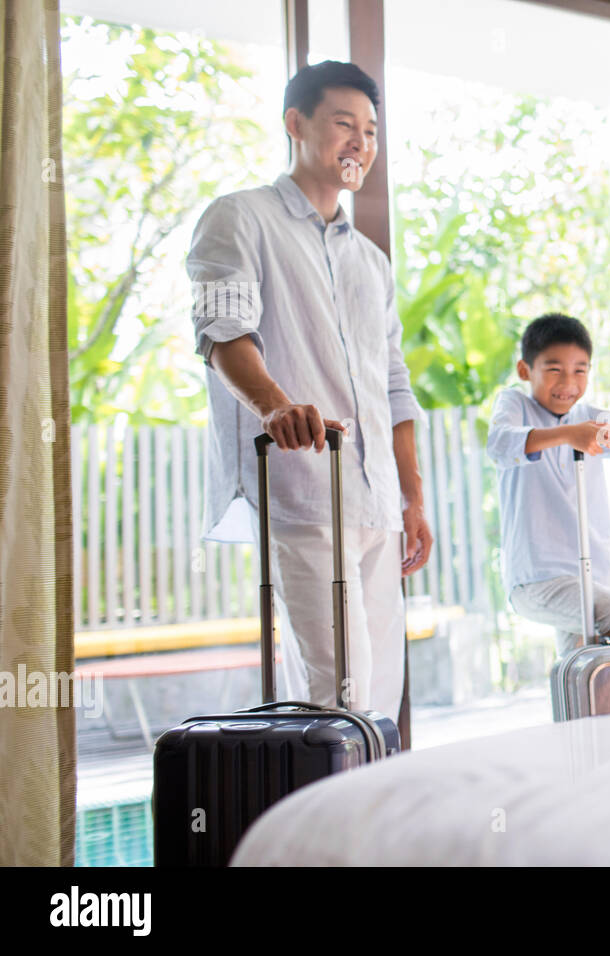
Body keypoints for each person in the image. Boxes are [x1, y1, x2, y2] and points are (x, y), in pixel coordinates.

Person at [188, 61, 432, 721]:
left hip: (379, 504)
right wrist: (275, 406)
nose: (360, 143)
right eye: (344, 125)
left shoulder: (371, 261)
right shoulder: (238, 219)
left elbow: (394, 386)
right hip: (304, 493)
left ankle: (375, 824)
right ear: (296, 125)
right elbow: (222, 332)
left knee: (380, 702)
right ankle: (330, 826)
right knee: (339, 696)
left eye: (372, 131)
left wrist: (412, 497)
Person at [487, 314, 610, 657]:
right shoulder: (515, 405)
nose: (568, 382)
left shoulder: (587, 416)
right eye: (554, 369)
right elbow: (499, 444)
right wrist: (567, 435)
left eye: (580, 370)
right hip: (539, 578)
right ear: (524, 370)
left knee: (579, 669)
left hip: (591, 570)